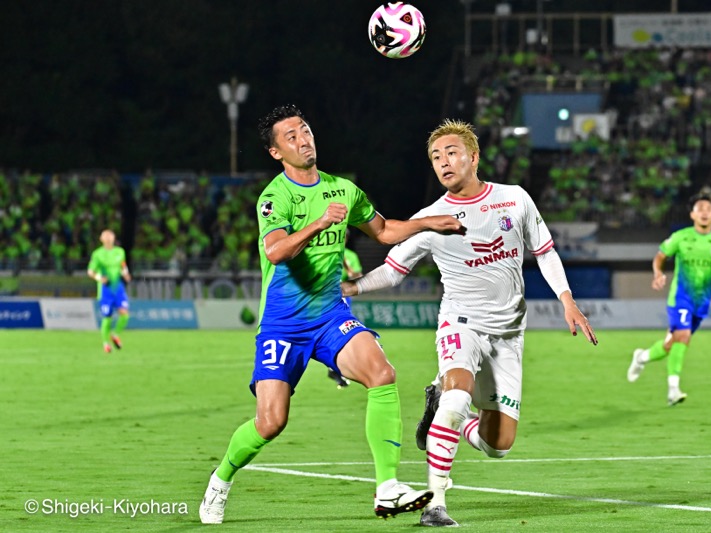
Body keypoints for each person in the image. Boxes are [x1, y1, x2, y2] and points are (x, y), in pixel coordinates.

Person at [199, 104, 464, 525]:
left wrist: (429, 222)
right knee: (270, 423)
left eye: (305, 130)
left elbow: (384, 231)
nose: (303, 139)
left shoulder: (343, 189)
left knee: (382, 373)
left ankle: (387, 488)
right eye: (291, 137)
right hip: (283, 326)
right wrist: (319, 223)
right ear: (275, 153)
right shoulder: (275, 197)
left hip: (328, 317)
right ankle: (220, 480)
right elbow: (276, 251)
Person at [342, 119, 598, 527]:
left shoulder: (514, 199)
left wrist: (567, 300)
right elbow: (393, 270)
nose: (443, 161)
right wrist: (350, 288)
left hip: (509, 333)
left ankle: (441, 407)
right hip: (461, 323)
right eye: (435, 157)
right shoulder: (431, 217)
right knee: (459, 396)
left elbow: (545, 252)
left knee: (499, 445)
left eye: (451, 152)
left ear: (474, 157)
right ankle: (435, 503)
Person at [627, 188, 711, 405]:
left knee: (672, 344)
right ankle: (673, 390)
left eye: (709, 209)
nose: (704, 212)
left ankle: (641, 357)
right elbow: (660, 256)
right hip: (680, 297)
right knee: (683, 337)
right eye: (700, 209)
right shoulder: (681, 237)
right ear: (692, 215)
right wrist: (658, 273)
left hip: (702, 301)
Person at [327, 232, 364, 389]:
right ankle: (335, 366)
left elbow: (358, 276)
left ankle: (335, 367)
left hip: (342, 296)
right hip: (324, 295)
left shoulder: (350, 255)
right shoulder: (325, 252)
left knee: (341, 330)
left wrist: (350, 272)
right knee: (334, 330)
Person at [86, 229, 132, 353]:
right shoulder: (97, 254)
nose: (108, 237)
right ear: (101, 239)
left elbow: (122, 265)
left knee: (125, 314)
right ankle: (105, 343)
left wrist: (126, 273)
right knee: (107, 317)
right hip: (105, 290)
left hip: (118, 288)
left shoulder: (120, 251)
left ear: (114, 238)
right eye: (105, 236)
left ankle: (115, 334)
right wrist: (99, 278)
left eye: (110, 235)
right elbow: (90, 271)